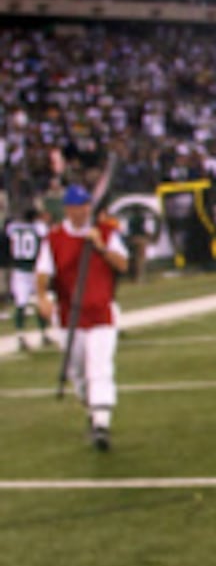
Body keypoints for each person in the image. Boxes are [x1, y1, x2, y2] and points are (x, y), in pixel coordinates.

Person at [37, 182, 129, 449]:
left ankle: (102, 423)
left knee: (99, 367)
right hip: (70, 315)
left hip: (101, 313)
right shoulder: (54, 239)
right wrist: (42, 297)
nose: (82, 211)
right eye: (77, 207)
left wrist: (101, 246)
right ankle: (92, 411)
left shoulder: (106, 232)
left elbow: (122, 264)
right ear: (68, 209)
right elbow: (43, 273)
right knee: (77, 371)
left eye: (86, 206)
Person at [7, 195, 51, 352]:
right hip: (33, 269)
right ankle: (44, 333)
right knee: (41, 300)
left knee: (21, 304)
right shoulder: (39, 228)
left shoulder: (13, 227)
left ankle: (20, 335)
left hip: (19, 270)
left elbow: (11, 244)